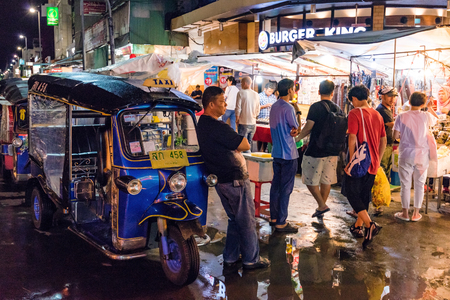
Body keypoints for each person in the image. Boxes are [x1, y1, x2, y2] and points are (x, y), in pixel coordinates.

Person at [196, 86, 269, 270]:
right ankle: (251, 259)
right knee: (246, 220)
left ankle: (230, 256)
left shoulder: (202, 124)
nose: (225, 105)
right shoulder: (216, 126)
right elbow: (244, 143)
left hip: (222, 179)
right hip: (234, 179)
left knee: (235, 219)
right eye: (222, 101)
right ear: (211, 105)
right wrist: (236, 145)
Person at [344, 85, 386, 249]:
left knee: (350, 192)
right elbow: (383, 140)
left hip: (360, 161)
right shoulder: (378, 114)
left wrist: (352, 159)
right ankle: (358, 227)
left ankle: (370, 225)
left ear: (354, 99)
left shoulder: (355, 113)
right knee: (363, 195)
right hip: (373, 161)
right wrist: (378, 159)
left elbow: (352, 138)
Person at [296, 80, 341, 218]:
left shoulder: (316, 107)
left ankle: (321, 205)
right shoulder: (337, 108)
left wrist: (297, 139)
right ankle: (321, 206)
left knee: (309, 179)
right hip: (333, 150)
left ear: (319, 92)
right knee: (326, 180)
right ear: (332, 93)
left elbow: (308, 127)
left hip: (316, 149)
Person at [393, 92, 438, 222]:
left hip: (406, 154)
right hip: (422, 155)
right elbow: (437, 119)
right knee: (419, 184)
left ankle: (405, 213)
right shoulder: (426, 116)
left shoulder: (401, 116)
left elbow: (395, 136)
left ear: (410, 102)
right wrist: (429, 107)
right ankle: (416, 214)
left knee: (405, 184)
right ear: (423, 104)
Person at [269, 79, 299, 233]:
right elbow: (295, 128)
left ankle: (273, 218)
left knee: (275, 186)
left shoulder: (273, 106)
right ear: (289, 90)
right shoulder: (288, 108)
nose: (294, 92)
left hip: (277, 152)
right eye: (293, 89)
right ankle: (281, 222)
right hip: (289, 153)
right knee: (286, 189)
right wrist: (296, 130)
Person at [376, 86, 398, 184]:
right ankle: (381, 194)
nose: (392, 99)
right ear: (383, 96)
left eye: (394, 96)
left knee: (386, 168)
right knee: (383, 168)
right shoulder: (382, 110)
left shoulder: (386, 109)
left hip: (387, 143)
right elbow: (393, 124)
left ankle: (384, 193)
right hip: (383, 145)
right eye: (390, 96)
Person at [235, 76, 260, 152]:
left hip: (243, 123)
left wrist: (237, 119)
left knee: (243, 146)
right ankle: (249, 161)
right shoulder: (256, 94)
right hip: (253, 123)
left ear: (245, 83)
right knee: (249, 144)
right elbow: (258, 109)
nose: (241, 85)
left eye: (242, 83)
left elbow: (238, 108)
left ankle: (244, 162)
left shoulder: (240, 93)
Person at [257, 81, 277, 152]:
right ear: (265, 89)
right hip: (261, 118)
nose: (270, 93)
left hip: (270, 119)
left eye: (271, 91)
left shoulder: (273, 97)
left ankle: (264, 150)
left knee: (266, 136)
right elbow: (256, 107)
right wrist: (265, 106)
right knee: (260, 136)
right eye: (269, 91)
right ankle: (258, 150)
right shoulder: (259, 96)